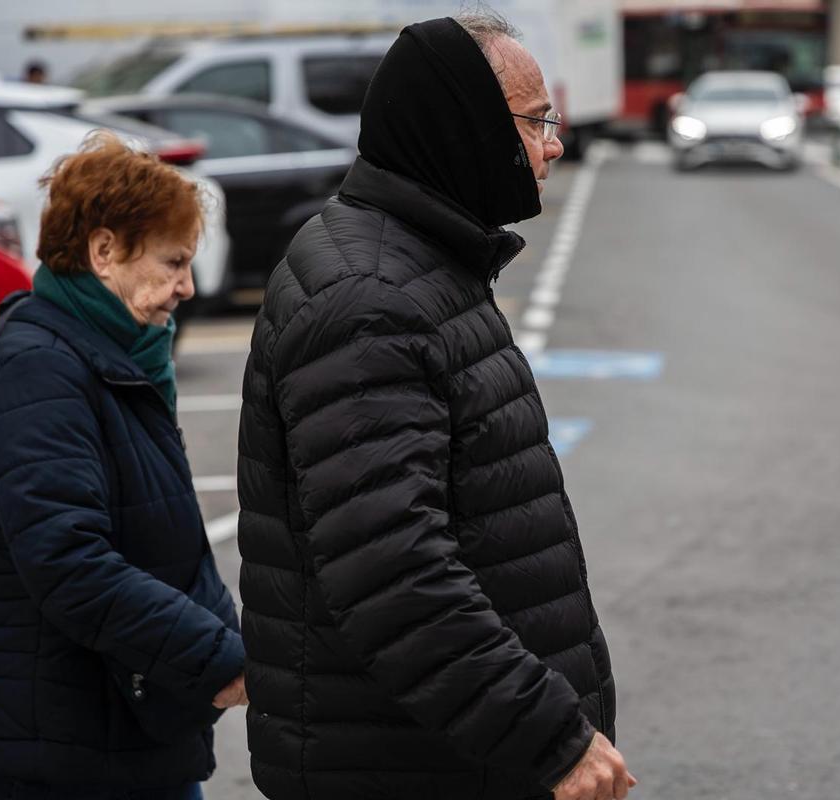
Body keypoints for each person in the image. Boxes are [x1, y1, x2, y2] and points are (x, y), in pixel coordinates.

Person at [236, 14, 635, 800]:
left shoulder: (417, 264)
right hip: (410, 766)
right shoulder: (370, 301)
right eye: (536, 122)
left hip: (434, 753)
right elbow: (392, 571)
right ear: (463, 129)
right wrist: (548, 736)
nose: (553, 144)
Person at [0, 131, 247, 800]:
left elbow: (157, 540)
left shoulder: (108, 355)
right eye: (173, 262)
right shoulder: (40, 368)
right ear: (104, 251)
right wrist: (219, 657)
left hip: (124, 732)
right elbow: (68, 561)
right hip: (67, 756)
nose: (187, 287)